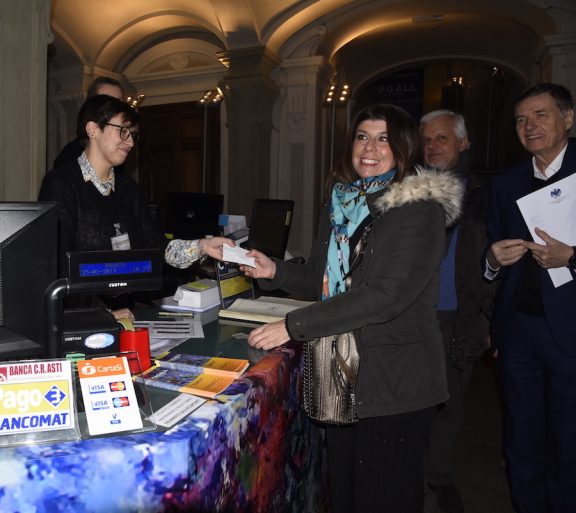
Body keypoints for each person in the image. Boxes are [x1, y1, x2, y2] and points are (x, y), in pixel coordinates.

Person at [242, 104, 463, 512]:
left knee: (383, 498)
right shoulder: (343, 203)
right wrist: (274, 270)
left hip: (393, 379)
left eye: (383, 139)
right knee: (344, 493)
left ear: (404, 147)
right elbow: (319, 280)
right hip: (342, 373)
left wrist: (294, 325)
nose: (370, 148)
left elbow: (385, 295)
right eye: (362, 136)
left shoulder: (418, 210)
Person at [38, 94, 232, 313]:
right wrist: (104, 315)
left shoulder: (128, 189)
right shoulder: (61, 184)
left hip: (128, 313)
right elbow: (57, 267)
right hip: (82, 317)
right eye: (122, 131)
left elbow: (157, 248)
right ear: (93, 129)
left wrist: (201, 246)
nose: (130, 142)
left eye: (133, 135)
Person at [484, 82, 576, 513]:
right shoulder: (506, 184)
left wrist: (572, 256)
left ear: (568, 119)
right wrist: (492, 259)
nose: (529, 126)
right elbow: (491, 255)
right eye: (521, 119)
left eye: (540, 115)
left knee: (569, 441)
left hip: (572, 332)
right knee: (521, 438)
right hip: (518, 330)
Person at [419, 110, 497, 513]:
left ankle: (441, 476)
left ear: (464, 143)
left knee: (451, 403)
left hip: (458, 314)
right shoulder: (410, 190)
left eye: (443, 138)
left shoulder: (487, 195)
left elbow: (500, 260)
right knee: (411, 401)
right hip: (412, 315)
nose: (433, 145)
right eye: (428, 139)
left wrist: (491, 322)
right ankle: (409, 474)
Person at [52, 77, 124, 170]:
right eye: (107, 101)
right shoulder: (71, 156)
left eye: (120, 102)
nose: (116, 108)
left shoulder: (119, 146)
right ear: (92, 104)